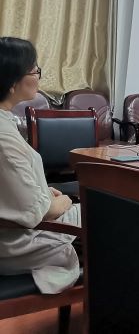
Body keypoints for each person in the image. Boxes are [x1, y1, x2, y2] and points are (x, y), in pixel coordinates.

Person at [0, 37, 80, 294]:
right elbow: (42, 212)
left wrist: (44, 192)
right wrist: (64, 200)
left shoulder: (5, 121)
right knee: (110, 215)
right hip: (17, 244)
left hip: (20, 226)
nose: (38, 76)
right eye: (34, 70)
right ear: (12, 81)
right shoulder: (3, 138)